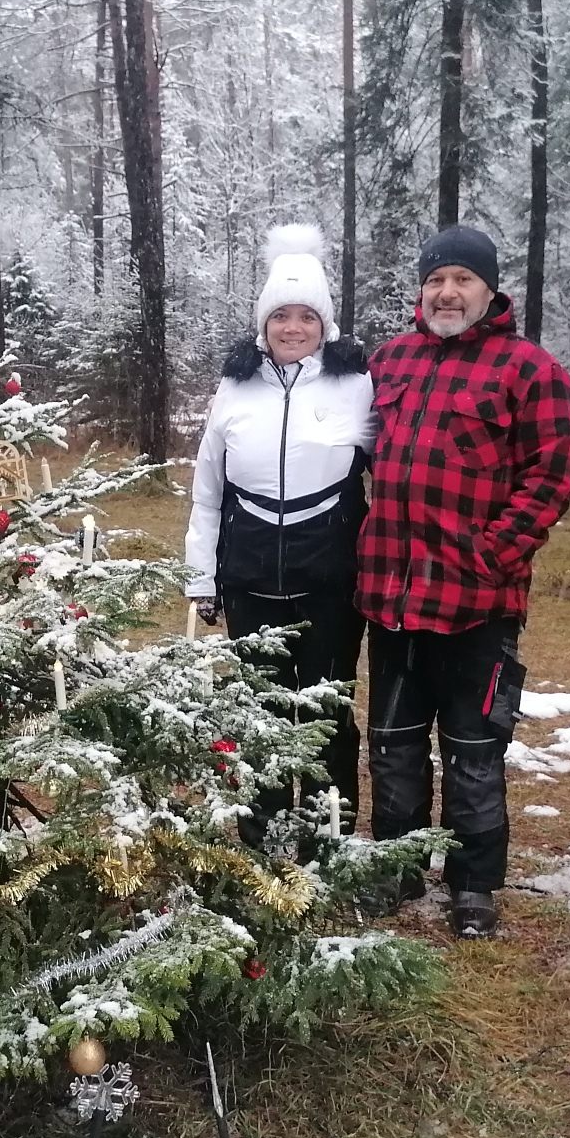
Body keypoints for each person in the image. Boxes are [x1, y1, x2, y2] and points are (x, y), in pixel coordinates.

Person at [358, 226, 570, 939]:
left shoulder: (529, 371)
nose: (447, 293)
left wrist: (493, 556)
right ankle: (395, 868)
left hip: (477, 603)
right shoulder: (389, 362)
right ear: (421, 291)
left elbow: (550, 479)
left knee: (474, 751)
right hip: (391, 596)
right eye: (435, 281)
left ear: (490, 290)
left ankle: (473, 884)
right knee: (392, 745)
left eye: (462, 280)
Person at [185, 224, 374, 846]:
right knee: (259, 714)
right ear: (263, 325)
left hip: (331, 583)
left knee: (325, 713)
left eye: (307, 317)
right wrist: (201, 578)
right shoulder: (234, 387)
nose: (293, 329)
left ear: (326, 325)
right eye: (281, 317)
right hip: (250, 579)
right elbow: (208, 487)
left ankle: (329, 836)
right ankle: (261, 836)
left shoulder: (356, 383)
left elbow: (391, 477)